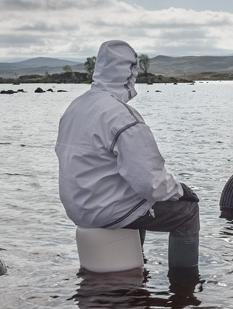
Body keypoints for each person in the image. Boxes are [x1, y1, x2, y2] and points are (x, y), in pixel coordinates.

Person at [56, 40, 199, 269]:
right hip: (103, 211)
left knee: (139, 202)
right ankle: (184, 287)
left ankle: (136, 268)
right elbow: (151, 183)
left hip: (77, 206)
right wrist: (181, 191)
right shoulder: (122, 116)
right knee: (186, 211)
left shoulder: (75, 107)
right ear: (129, 72)